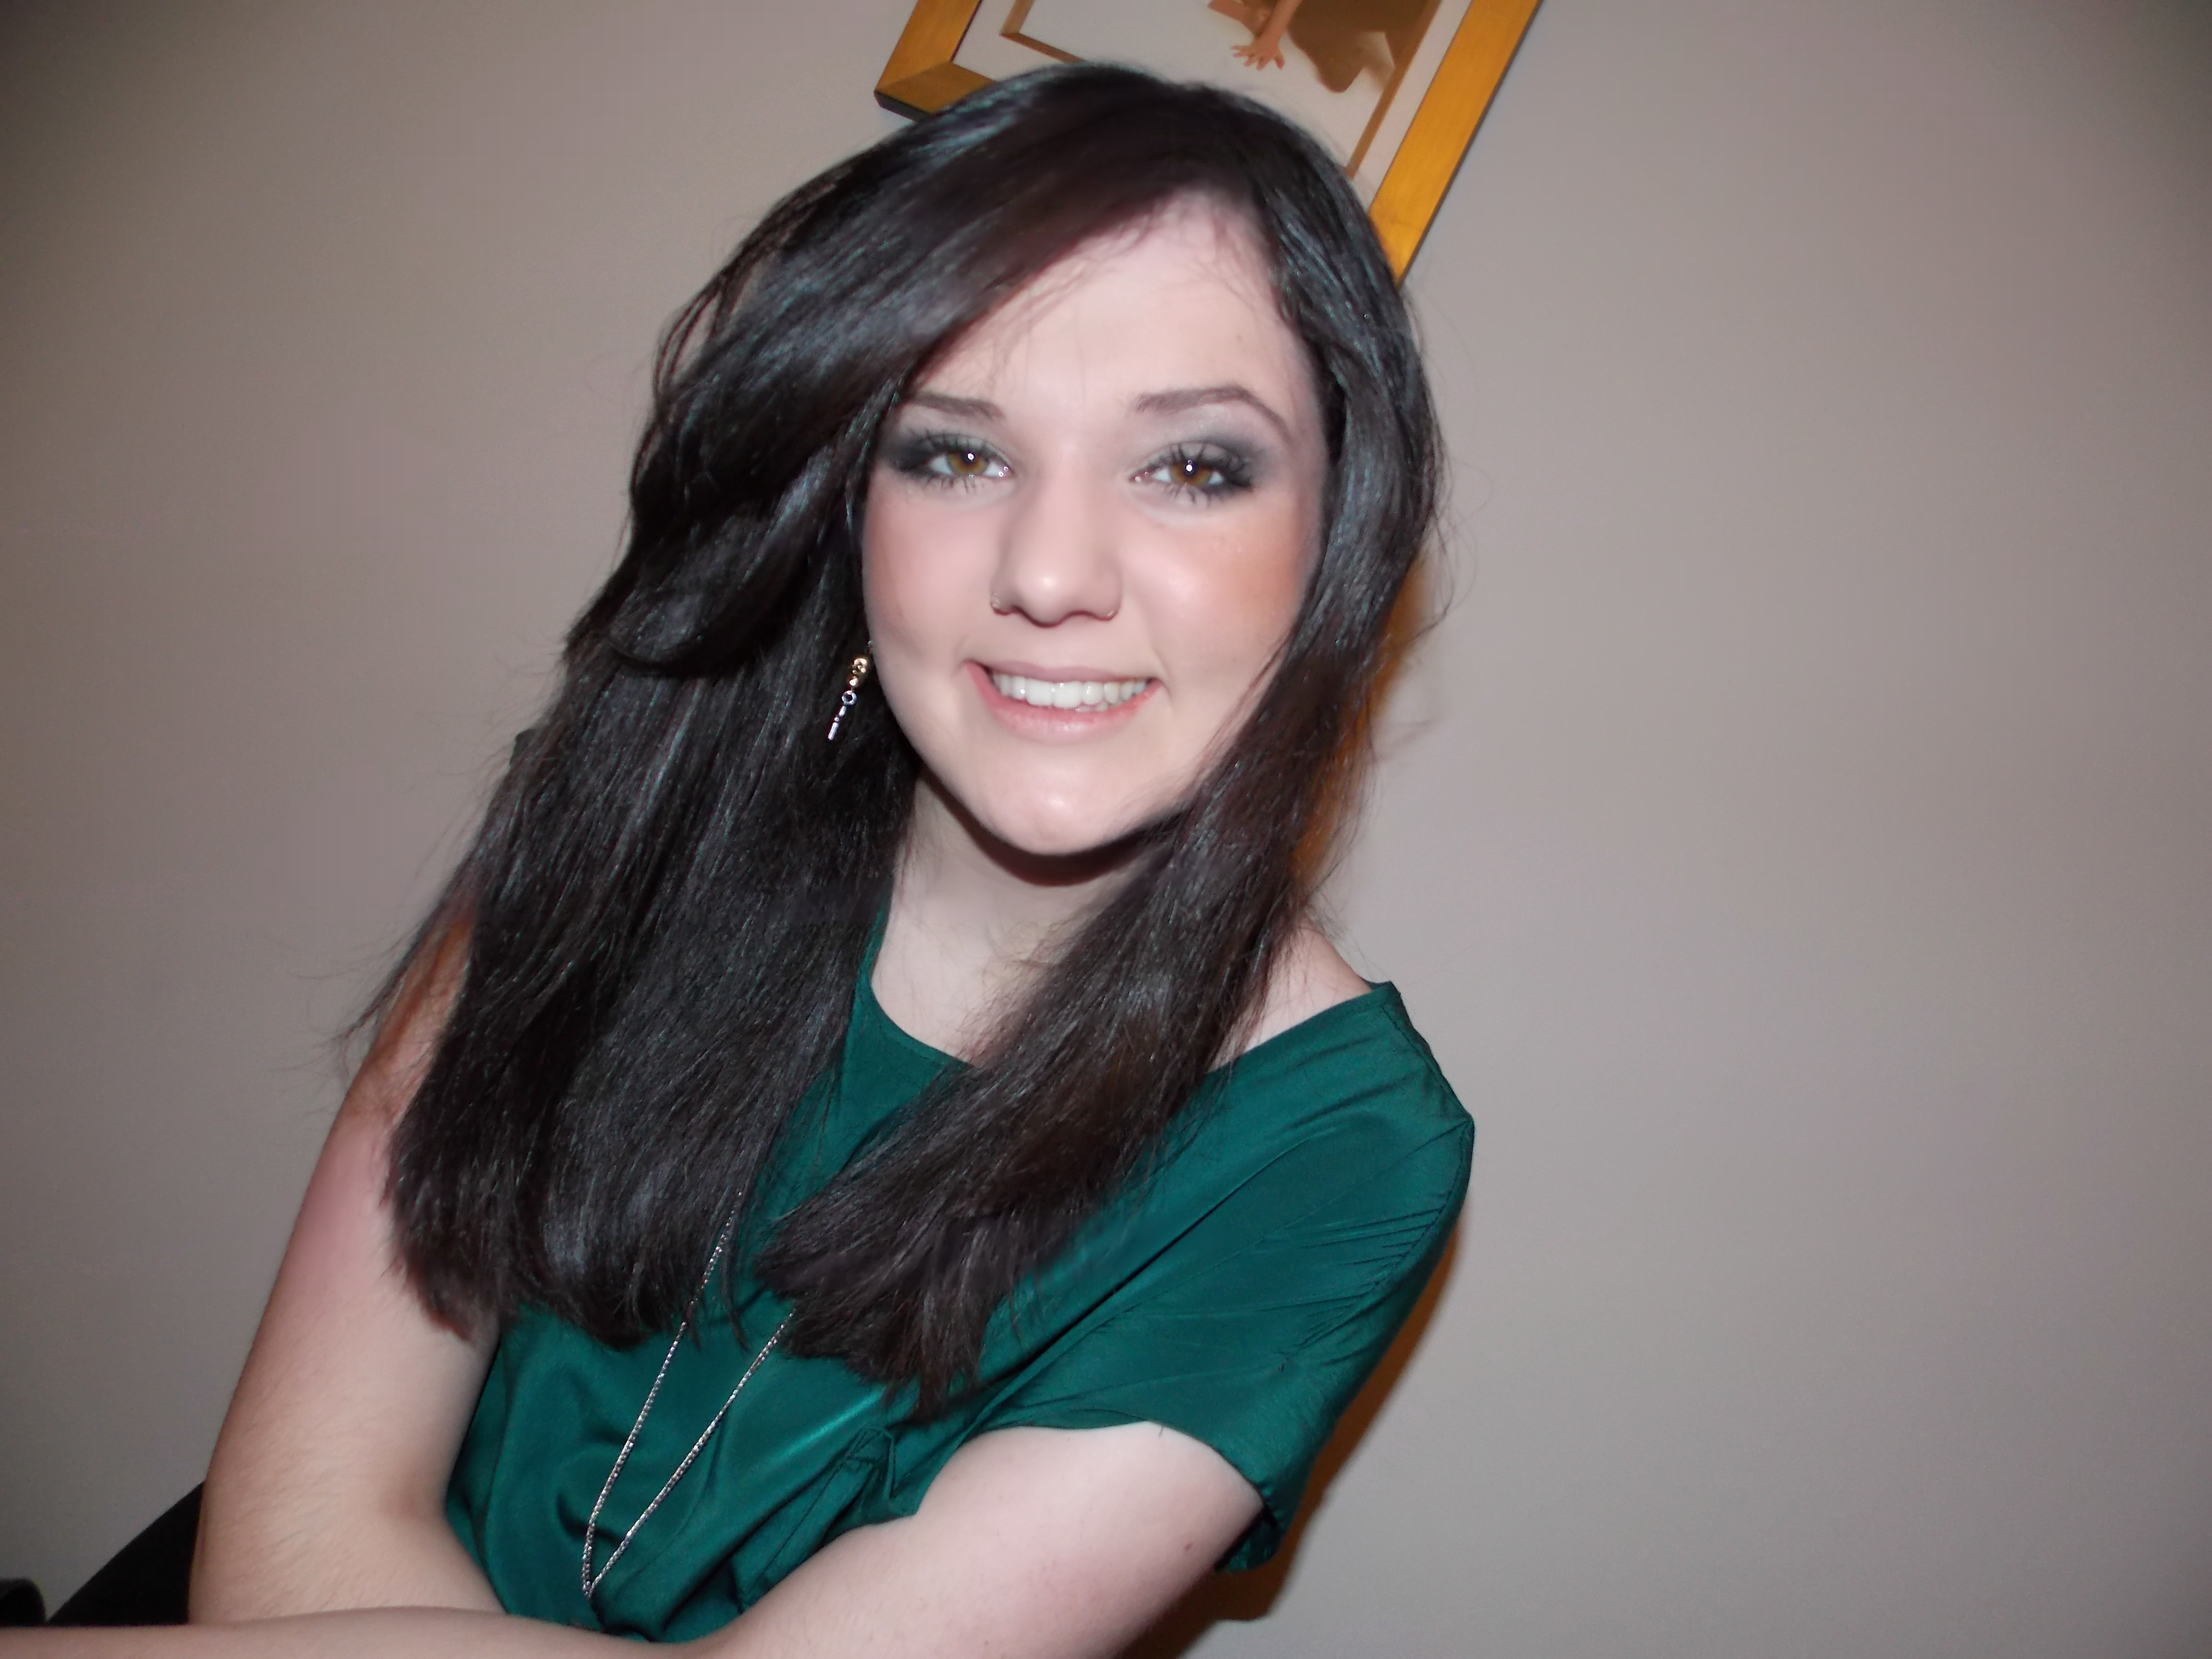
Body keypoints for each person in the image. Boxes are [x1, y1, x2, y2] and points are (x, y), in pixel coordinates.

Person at [16, 63, 1468, 1658]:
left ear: (1337, 534)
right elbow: (302, 1520)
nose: (1052, 573)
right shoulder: (627, 803)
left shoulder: (1336, 1151)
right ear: (851, 508)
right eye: (955, 454)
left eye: (1193, 466)